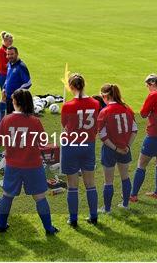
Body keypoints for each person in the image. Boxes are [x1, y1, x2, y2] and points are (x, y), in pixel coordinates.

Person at [0, 89, 59, 235]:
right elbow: (43, 142)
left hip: (12, 165)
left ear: (16, 102)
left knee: (7, 196)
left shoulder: (6, 119)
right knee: (40, 198)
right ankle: (49, 228)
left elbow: (0, 141)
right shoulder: (34, 121)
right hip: (33, 165)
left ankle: (1, 225)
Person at [61, 73, 100, 227]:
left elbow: (64, 125)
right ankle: (93, 216)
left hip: (71, 145)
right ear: (84, 85)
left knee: (72, 185)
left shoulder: (68, 106)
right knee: (90, 183)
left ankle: (73, 218)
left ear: (71, 87)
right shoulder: (95, 103)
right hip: (88, 144)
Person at [97, 84, 137, 212]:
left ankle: (107, 209)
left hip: (110, 149)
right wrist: (127, 146)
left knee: (108, 181)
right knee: (125, 177)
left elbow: (102, 135)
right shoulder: (127, 108)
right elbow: (134, 130)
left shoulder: (105, 111)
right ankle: (125, 204)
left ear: (105, 96)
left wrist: (115, 148)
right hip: (125, 148)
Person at [2, 46, 31, 114]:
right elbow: (8, 78)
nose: (9, 56)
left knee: (17, 120)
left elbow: (28, 83)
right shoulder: (9, 64)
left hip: (18, 100)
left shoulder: (21, 66)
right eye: (8, 54)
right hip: (9, 99)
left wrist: (17, 93)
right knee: (9, 119)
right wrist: (4, 88)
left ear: (17, 54)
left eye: (12, 54)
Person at [0, 32, 13, 114]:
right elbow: (3, 65)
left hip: (9, 75)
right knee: (4, 95)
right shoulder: (0, 51)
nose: (11, 43)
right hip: (3, 75)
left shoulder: (9, 50)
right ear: (5, 41)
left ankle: (8, 112)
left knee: (10, 95)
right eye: (9, 41)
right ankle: (2, 113)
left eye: (11, 41)